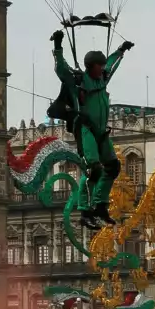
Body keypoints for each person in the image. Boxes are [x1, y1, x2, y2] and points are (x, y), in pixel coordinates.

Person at [51, 28, 134, 227]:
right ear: (91, 66)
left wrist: (121, 50)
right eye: (100, 65)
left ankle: (100, 206)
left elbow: (113, 64)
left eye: (103, 65)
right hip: (86, 129)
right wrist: (58, 46)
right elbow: (61, 69)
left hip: (100, 131)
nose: (103, 68)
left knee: (113, 166)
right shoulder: (78, 81)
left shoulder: (102, 77)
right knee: (93, 168)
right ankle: (85, 211)